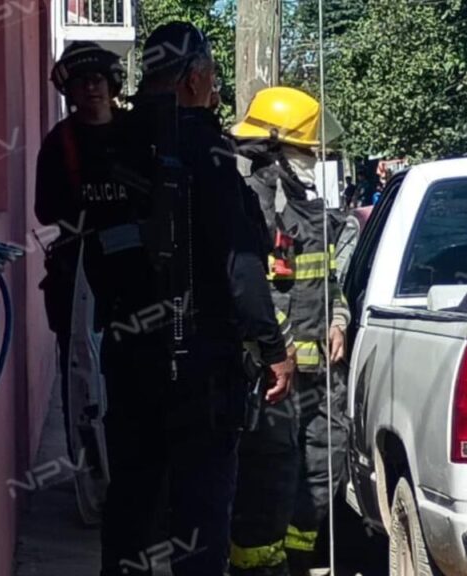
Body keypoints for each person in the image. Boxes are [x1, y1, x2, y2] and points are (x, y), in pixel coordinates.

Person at [87, 22, 294, 576]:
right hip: (200, 364)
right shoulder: (209, 152)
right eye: (211, 78)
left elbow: (89, 248)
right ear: (195, 77)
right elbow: (241, 263)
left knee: (132, 500)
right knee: (199, 515)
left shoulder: (112, 144)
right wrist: (272, 347)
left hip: (129, 355)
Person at [230, 86, 352, 576]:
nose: (315, 161)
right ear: (279, 150)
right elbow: (249, 290)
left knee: (320, 470)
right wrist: (277, 346)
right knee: (269, 479)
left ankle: (300, 562)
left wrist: (339, 319)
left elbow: (328, 280)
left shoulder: (306, 201)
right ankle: (258, 567)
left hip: (320, 376)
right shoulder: (253, 203)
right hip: (275, 379)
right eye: (308, 151)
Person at [35, 40, 125, 524]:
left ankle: (136, 481)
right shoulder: (59, 143)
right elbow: (44, 209)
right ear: (68, 91)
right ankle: (94, 492)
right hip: (79, 280)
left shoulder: (134, 134)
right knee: (83, 387)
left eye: (98, 80)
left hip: (134, 283)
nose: (91, 90)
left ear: (112, 86)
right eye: (81, 82)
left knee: (130, 383)